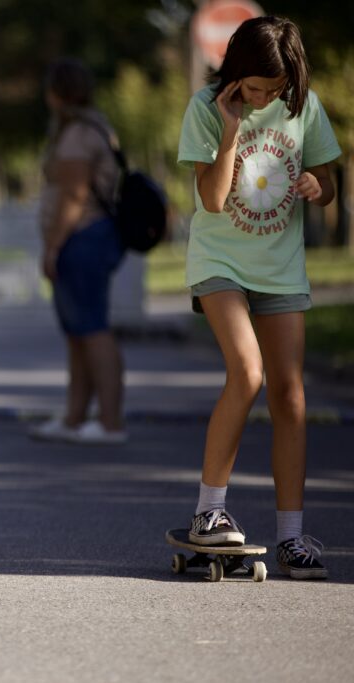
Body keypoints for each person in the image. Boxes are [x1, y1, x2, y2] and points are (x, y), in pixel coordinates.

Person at [176, 16, 340, 579]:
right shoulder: (205, 106)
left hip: (280, 268)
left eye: (274, 90)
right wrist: (230, 127)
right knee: (247, 373)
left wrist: (320, 189)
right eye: (255, 88)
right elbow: (215, 200)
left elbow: (328, 182)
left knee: (291, 396)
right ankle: (209, 512)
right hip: (220, 263)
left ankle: (292, 537)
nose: (265, 98)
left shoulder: (303, 107)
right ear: (237, 71)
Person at [30, 57, 127, 445]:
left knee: (92, 329)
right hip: (89, 235)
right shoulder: (94, 126)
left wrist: (52, 247)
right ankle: (75, 417)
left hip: (82, 236)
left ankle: (109, 421)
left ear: (56, 93)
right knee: (78, 331)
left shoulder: (76, 135)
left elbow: (74, 195)